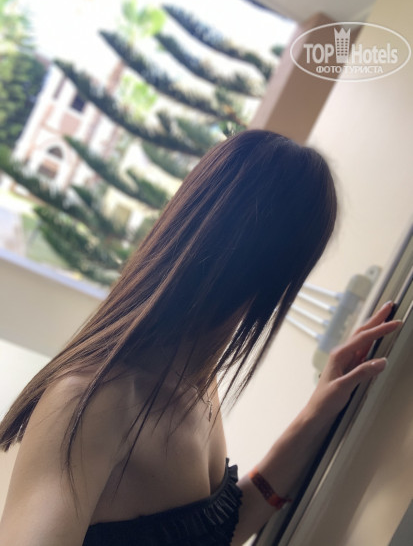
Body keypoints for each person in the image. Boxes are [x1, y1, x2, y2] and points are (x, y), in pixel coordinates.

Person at [0, 130, 401, 546]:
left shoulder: (197, 380)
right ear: (279, 272)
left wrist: (317, 412)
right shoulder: (94, 400)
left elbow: (217, 530)